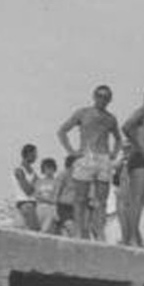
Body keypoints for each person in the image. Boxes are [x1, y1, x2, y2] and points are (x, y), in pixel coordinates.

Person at [57, 85, 122, 240]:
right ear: (94, 95)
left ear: (110, 99)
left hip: (103, 157)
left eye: (106, 97)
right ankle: (79, 232)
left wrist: (113, 153)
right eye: (100, 95)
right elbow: (62, 131)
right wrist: (72, 151)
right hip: (86, 155)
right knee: (80, 198)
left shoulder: (110, 118)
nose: (102, 99)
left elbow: (118, 138)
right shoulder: (83, 112)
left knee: (102, 199)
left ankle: (99, 231)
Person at [121, 87, 144, 246]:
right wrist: (140, 148)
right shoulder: (142, 112)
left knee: (141, 200)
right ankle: (132, 238)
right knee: (136, 200)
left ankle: (133, 237)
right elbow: (126, 127)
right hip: (139, 160)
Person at [48, 155, 77, 236]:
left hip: (74, 208)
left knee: (67, 232)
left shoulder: (79, 177)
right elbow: (56, 191)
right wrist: (54, 209)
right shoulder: (63, 175)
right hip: (63, 207)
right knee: (71, 228)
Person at [12, 144, 40, 231]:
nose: (36, 156)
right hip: (25, 204)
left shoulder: (33, 172)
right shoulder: (19, 170)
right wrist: (35, 182)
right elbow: (27, 190)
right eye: (34, 154)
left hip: (33, 203)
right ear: (28, 154)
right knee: (35, 231)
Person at [35, 158, 58, 232]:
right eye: (46, 168)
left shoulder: (57, 182)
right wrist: (48, 199)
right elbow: (36, 196)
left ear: (54, 169)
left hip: (51, 209)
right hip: (39, 209)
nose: (49, 171)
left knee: (45, 230)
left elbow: (56, 198)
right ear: (43, 170)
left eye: (51, 168)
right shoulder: (39, 182)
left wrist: (44, 199)